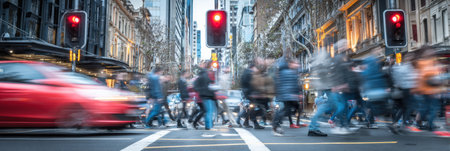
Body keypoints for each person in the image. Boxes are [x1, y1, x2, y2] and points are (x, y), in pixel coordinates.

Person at [272, 58, 302, 136]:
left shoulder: (286, 71)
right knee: (286, 110)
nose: (298, 65)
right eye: (296, 63)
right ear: (291, 64)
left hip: (287, 95)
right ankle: (276, 124)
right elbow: (291, 85)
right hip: (288, 95)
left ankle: (276, 124)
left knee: (288, 110)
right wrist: (294, 94)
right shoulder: (289, 72)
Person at [249, 58, 275, 129]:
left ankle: (273, 122)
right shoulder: (255, 75)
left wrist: (270, 97)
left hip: (263, 96)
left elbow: (269, 86)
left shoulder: (266, 75)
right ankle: (255, 122)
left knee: (264, 110)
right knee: (256, 110)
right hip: (257, 96)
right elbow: (252, 84)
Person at [194, 60, 217, 130]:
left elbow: (197, 84)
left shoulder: (204, 73)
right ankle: (208, 126)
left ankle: (209, 125)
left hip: (207, 95)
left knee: (208, 111)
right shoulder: (205, 74)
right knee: (209, 111)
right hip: (207, 95)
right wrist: (202, 91)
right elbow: (196, 84)